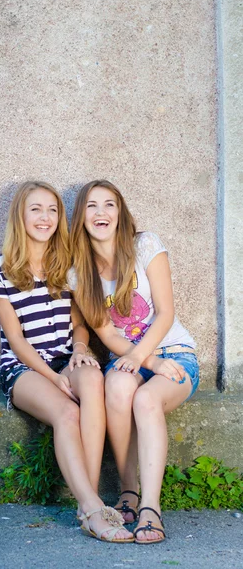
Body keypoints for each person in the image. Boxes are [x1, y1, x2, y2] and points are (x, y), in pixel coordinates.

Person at [0, 181, 133, 543]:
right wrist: (51, 376)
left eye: (52, 210)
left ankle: (87, 495)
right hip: (25, 368)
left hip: (67, 357)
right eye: (36, 209)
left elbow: (80, 324)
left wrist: (81, 350)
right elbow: (15, 339)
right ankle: (95, 511)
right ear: (21, 215)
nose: (45, 217)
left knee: (93, 380)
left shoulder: (67, 264)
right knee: (67, 413)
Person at [69, 180, 199, 544]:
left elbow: (166, 312)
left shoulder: (145, 246)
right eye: (92, 206)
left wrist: (150, 359)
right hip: (128, 361)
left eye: (109, 204)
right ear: (81, 217)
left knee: (145, 398)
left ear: (120, 212)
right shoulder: (78, 273)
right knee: (118, 384)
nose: (101, 213)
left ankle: (150, 509)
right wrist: (141, 361)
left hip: (174, 354)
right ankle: (129, 491)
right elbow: (108, 335)